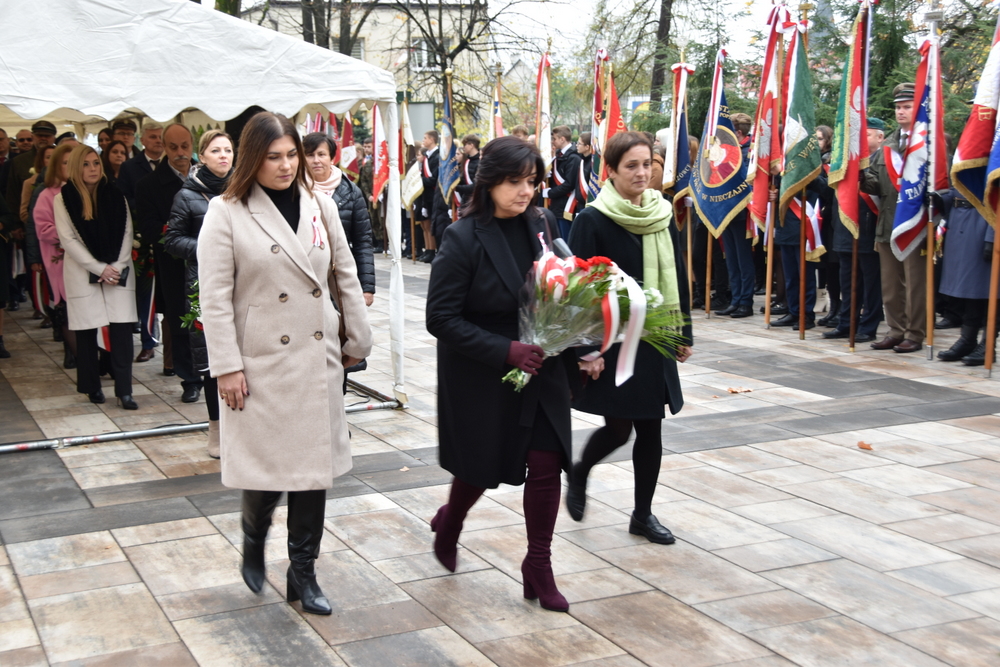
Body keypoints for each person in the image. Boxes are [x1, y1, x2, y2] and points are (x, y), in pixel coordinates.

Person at [198, 112, 372, 615]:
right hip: (260, 363)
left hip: (316, 359)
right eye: (273, 157)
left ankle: (304, 572)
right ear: (253, 159)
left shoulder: (320, 205)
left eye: (291, 155)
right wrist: (226, 365)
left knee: (313, 471)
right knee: (268, 470)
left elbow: (345, 272)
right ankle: (254, 540)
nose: (285, 165)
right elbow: (214, 297)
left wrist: (357, 338)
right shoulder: (225, 211)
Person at [425, 135, 575, 613]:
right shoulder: (462, 236)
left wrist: (585, 336)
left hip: (542, 361)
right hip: (483, 368)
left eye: (531, 181)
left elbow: (562, 284)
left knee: (547, 464)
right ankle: (451, 522)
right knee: (481, 468)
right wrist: (504, 350)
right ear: (489, 181)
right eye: (514, 181)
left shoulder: (543, 223)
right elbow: (441, 318)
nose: (524, 191)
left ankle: (539, 564)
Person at [566, 131, 693, 545]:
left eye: (647, 164)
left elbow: (677, 271)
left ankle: (642, 514)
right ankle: (582, 469)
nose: (641, 173)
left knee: (651, 428)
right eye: (631, 166)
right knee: (619, 430)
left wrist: (683, 330)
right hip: (615, 340)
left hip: (656, 335)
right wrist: (587, 348)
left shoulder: (661, 212)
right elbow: (580, 288)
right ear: (612, 171)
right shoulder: (592, 218)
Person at [164, 130, 234, 459]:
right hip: (202, 285)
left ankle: (244, 427)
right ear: (201, 156)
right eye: (216, 150)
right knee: (211, 360)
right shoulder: (187, 195)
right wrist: (208, 248)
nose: (224, 156)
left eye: (228, 150)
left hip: (243, 284)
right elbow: (172, 241)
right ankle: (216, 428)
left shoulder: (245, 189)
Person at [52, 145, 138, 409]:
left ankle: (125, 391)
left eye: (95, 163)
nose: (92, 169)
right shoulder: (63, 198)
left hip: (117, 273)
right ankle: (92, 387)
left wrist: (117, 265)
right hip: (83, 272)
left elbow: (127, 233)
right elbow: (68, 239)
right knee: (87, 332)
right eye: (86, 164)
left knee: (122, 333)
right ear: (77, 168)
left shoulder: (115, 194)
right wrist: (98, 268)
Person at [135, 124, 199, 396]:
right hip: (174, 265)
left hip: (211, 262)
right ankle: (190, 381)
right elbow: (148, 228)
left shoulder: (206, 175)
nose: (180, 153)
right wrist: (177, 236)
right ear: (163, 146)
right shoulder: (149, 185)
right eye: (173, 147)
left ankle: (214, 375)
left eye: (185, 146)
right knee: (181, 321)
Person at [862, 83, 926, 353]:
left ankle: (915, 332)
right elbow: (876, 184)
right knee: (890, 284)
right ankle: (896, 329)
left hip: (915, 224)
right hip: (888, 223)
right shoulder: (888, 144)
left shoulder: (928, 142)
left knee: (914, 283)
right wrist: (859, 176)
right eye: (898, 107)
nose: (901, 111)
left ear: (918, 108)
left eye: (907, 106)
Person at [822, 118, 884, 343]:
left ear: (880, 137)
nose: (862, 141)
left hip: (869, 227)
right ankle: (847, 322)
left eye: (867, 135)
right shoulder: (846, 159)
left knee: (870, 282)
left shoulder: (883, 159)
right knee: (847, 280)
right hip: (845, 226)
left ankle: (868, 325)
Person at [303, 132, 376, 305]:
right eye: (310, 155)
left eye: (321, 154)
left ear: (332, 158)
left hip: (339, 275)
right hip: (304, 276)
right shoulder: (293, 190)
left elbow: (362, 241)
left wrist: (366, 287)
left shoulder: (351, 192)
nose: (316, 160)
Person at [32, 143, 80, 368]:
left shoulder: (87, 189)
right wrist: (73, 235)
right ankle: (74, 352)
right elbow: (42, 230)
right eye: (65, 163)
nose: (70, 168)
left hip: (86, 261)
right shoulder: (47, 194)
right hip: (59, 259)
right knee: (67, 308)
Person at [716, 113, 756, 319]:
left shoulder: (750, 151)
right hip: (728, 209)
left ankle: (746, 302)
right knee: (731, 258)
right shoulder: (730, 151)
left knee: (743, 258)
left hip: (743, 211)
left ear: (738, 132)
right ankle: (736, 299)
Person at [542, 125, 582, 238]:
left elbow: (569, 184)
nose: (553, 142)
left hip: (566, 206)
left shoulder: (573, 158)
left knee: (565, 239)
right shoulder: (560, 155)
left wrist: (549, 193)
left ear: (562, 139)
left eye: (554, 139)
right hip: (557, 205)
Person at [116, 122, 164, 206]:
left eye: (161, 137)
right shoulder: (129, 167)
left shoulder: (172, 164)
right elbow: (124, 198)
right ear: (142, 140)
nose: (158, 141)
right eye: (153, 137)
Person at [417, 131, 440, 262]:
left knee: (432, 224)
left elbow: (433, 179)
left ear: (432, 139)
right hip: (425, 195)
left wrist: (418, 181)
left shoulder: (437, 156)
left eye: (425, 138)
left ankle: (433, 250)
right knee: (425, 224)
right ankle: (429, 250)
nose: (423, 140)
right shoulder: (427, 156)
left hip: (433, 194)